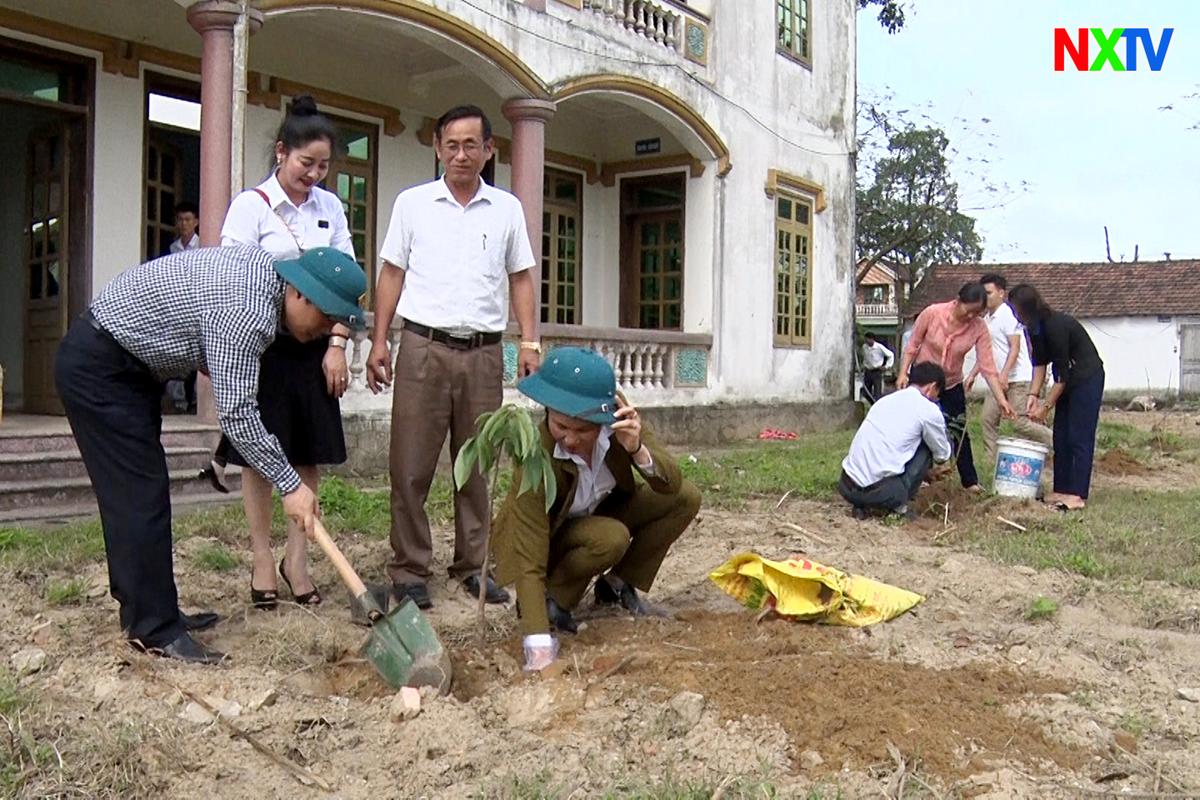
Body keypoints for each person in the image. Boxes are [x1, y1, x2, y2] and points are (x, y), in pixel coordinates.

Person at [54, 245, 366, 664]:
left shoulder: (269, 278)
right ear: (299, 294)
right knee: (138, 495)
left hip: (130, 367)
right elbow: (237, 416)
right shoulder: (248, 310)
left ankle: (153, 612)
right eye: (326, 317)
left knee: (143, 492)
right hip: (100, 367)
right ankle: (155, 630)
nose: (327, 329)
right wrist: (291, 485)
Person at [366, 105, 540, 611]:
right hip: (422, 349)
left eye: (472, 145)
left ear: (490, 151)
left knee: (478, 465)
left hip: (483, 354)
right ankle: (410, 568)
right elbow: (392, 273)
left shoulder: (506, 209)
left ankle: (473, 565)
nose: (461, 154)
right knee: (410, 465)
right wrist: (380, 340)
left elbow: (521, 276)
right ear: (438, 148)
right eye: (452, 145)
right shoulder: (413, 204)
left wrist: (529, 342)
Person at [215, 95, 356, 610]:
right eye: (305, 164)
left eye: (323, 166)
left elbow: (345, 284)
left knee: (307, 451)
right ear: (281, 152)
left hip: (315, 348)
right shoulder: (251, 206)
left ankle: (297, 560)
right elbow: (229, 278)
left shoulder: (331, 209)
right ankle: (259, 558)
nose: (313, 175)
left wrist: (336, 345)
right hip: (264, 344)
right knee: (259, 455)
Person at [491, 347, 702, 671]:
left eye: (583, 431)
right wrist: (538, 647)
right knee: (610, 537)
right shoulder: (536, 454)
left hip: (598, 511)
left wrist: (637, 449)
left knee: (685, 497)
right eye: (561, 426)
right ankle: (556, 602)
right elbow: (529, 555)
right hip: (553, 537)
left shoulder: (619, 416)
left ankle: (615, 586)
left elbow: (670, 483)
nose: (571, 439)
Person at [898, 282, 1015, 491]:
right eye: (969, 311)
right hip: (924, 382)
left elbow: (988, 367)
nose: (971, 317)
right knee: (917, 428)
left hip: (951, 383)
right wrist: (902, 373)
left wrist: (1002, 399)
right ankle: (918, 476)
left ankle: (970, 481)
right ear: (958, 301)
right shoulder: (932, 314)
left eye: (977, 313)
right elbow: (913, 345)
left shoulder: (979, 328)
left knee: (959, 430)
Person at [1007, 285, 1105, 511]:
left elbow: (1061, 374)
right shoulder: (1034, 328)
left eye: (1015, 308)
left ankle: (1078, 495)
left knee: (1079, 436)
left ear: (1027, 307)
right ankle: (1061, 489)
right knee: (1061, 436)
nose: (1014, 313)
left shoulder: (1055, 326)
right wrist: (1033, 395)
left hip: (1086, 378)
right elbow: (1039, 364)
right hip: (1068, 381)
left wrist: (1046, 406)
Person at [839, 361, 953, 520]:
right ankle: (899, 508)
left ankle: (861, 505)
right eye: (937, 394)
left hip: (847, 485)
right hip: (881, 493)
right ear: (931, 387)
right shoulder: (928, 410)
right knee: (928, 446)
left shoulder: (885, 401)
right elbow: (942, 455)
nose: (936, 398)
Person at [966, 274, 1053, 471]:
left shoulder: (1008, 315)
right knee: (987, 420)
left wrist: (1004, 374)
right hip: (996, 381)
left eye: (988, 293)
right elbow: (987, 353)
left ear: (1001, 293)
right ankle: (992, 463)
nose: (985, 297)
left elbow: (1015, 348)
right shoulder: (986, 319)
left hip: (1017, 378)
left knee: (1020, 423)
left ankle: (1056, 442)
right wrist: (973, 374)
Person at [860, 332, 894, 402]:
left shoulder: (879, 347)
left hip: (877, 371)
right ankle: (872, 403)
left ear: (872, 339)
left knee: (877, 392)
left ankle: (877, 404)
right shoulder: (864, 347)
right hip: (868, 371)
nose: (867, 341)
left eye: (868, 339)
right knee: (866, 392)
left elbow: (890, 355)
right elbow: (865, 357)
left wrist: (887, 366)